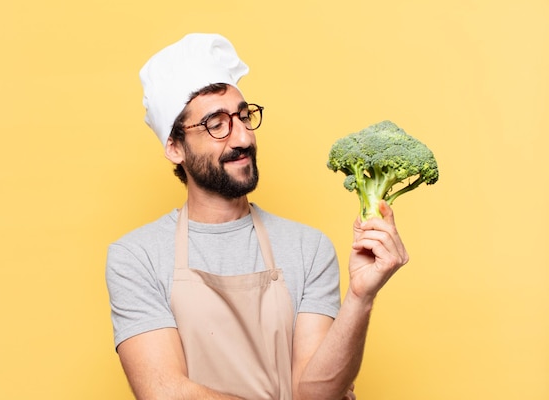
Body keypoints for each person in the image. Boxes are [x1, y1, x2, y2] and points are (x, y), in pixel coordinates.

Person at [106, 33, 409, 400]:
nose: (243, 138)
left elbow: (315, 393)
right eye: (216, 123)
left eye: (244, 116)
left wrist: (361, 297)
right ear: (175, 147)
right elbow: (166, 393)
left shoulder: (307, 247)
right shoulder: (136, 257)